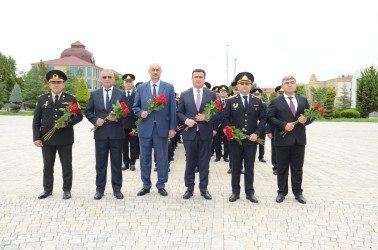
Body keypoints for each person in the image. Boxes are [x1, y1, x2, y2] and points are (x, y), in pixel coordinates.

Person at [33, 70, 83, 200]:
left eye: (59, 82)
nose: (56, 85)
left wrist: (67, 123)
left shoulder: (71, 99)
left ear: (63, 85)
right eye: (53, 82)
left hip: (65, 138)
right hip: (47, 139)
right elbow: (36, 121)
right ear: (49, 85)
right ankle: (47, 190)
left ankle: (67, 190)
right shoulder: (42, 99)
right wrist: (37, 137)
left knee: (66, 165)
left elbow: (79, 116)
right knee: (48, 165)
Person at [132, 63, 177, 197]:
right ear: (149, 72)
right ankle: (146, 185)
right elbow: (135, 107)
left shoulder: (168, 87)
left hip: (162, 128)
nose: (155, 72)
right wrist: (141, 113)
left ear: (161, 71)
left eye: (157, 70)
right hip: (145, 128)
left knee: (162, 158)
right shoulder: (141, 88)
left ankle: (161, 185)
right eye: (153, 70)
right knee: (144, 158)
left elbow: (172, 109)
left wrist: (172, 127)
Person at [268, 75, 313, 204]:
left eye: (292, 82)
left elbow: (311, 116)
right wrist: (283, 125)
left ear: (295, 85)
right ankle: (281, 192)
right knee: (282, 168)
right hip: (282, 141)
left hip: (299, 140)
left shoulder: (303, 100)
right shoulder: (275, 101)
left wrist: (306, 120)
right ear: (282, 86)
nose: (289, 85)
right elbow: (270, 117)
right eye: (286, 83)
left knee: (297, 168)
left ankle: (298, 193)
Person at [223, 72, 266, 203]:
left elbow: (263, 119)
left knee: (249, 167)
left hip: (251, 140)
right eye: (242, 84)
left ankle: (249, 192)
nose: (245, 86)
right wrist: (232, 133)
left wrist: (256, 134)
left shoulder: (257, 101)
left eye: (247, 84)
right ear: (237, 86)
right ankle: (235, 192)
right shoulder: (231, 101)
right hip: (236, 141)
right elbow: (225, 118)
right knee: (236, 167)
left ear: (251, 85)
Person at [85, 69, 127, 200]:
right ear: (101, 79)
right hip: (101, 134)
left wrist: (118, 117)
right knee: (100, 164)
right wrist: (95, 120)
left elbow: (127, 111)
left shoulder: (121, 93)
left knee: (116, 163)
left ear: (114, 79)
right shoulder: (94, 94)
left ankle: (117, 189)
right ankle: (100, 190)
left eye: (109, 77)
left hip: (116, 134)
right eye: (104, 77)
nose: (107, 79)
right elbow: (88, 111)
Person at [177, 69, 218, 200]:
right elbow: (179, 112)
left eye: (201, 77)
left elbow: (217, 113)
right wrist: (186, 120)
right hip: (190, 134)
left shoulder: (211, 95)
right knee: (190, 161)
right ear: (192, 78)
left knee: (204, 162)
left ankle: (203, 188)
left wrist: (207, 116)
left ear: (204, 79)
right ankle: (189, 188)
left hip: (205, 134)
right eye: (196, 77)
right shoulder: (184, 94)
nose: (198, 79)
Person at [121, 73, 138, 171]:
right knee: (124, 145)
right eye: (126, 82)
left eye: (130, 82)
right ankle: (125, 162)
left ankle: (132, 163)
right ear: (124, 83)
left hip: (133, 123)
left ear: (132, 83)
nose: (128, 83)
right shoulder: (120, 94)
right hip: (122, 123)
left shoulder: (136, 95)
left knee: (133, 144)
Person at [267, 85, 284, 175]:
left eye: (282, 93)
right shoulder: (273, 103)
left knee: (284, 150)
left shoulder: (288, 102)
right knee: (275, 150)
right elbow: (269, 118)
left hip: (286, 130)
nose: (281, 94)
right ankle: (276, 167)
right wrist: (269, 131)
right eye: (279, 93)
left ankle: (283, 167)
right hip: (275, 130)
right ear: (276, 93)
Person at [251, 88, 267, 163]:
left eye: (258, 95)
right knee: (253, 142)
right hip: (253, 126)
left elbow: (265, 115)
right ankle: (252, 156)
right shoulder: (250, 103)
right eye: (255, 94)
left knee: (262, 142)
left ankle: (261, 156)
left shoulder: (264, 104)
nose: (257, 96)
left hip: (262, 126)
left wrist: (260, 120)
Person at [214, 85, 229, 162]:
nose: (223, 93)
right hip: (217, 125)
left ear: (227, 93)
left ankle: (226, 156)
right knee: (217, 141)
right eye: (221, 91)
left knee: (227, 142)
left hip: (226, 126)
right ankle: (218, 155)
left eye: (224, 91)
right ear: (219, 93)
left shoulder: (229, 101)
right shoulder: (215, 102)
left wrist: (226, 126)